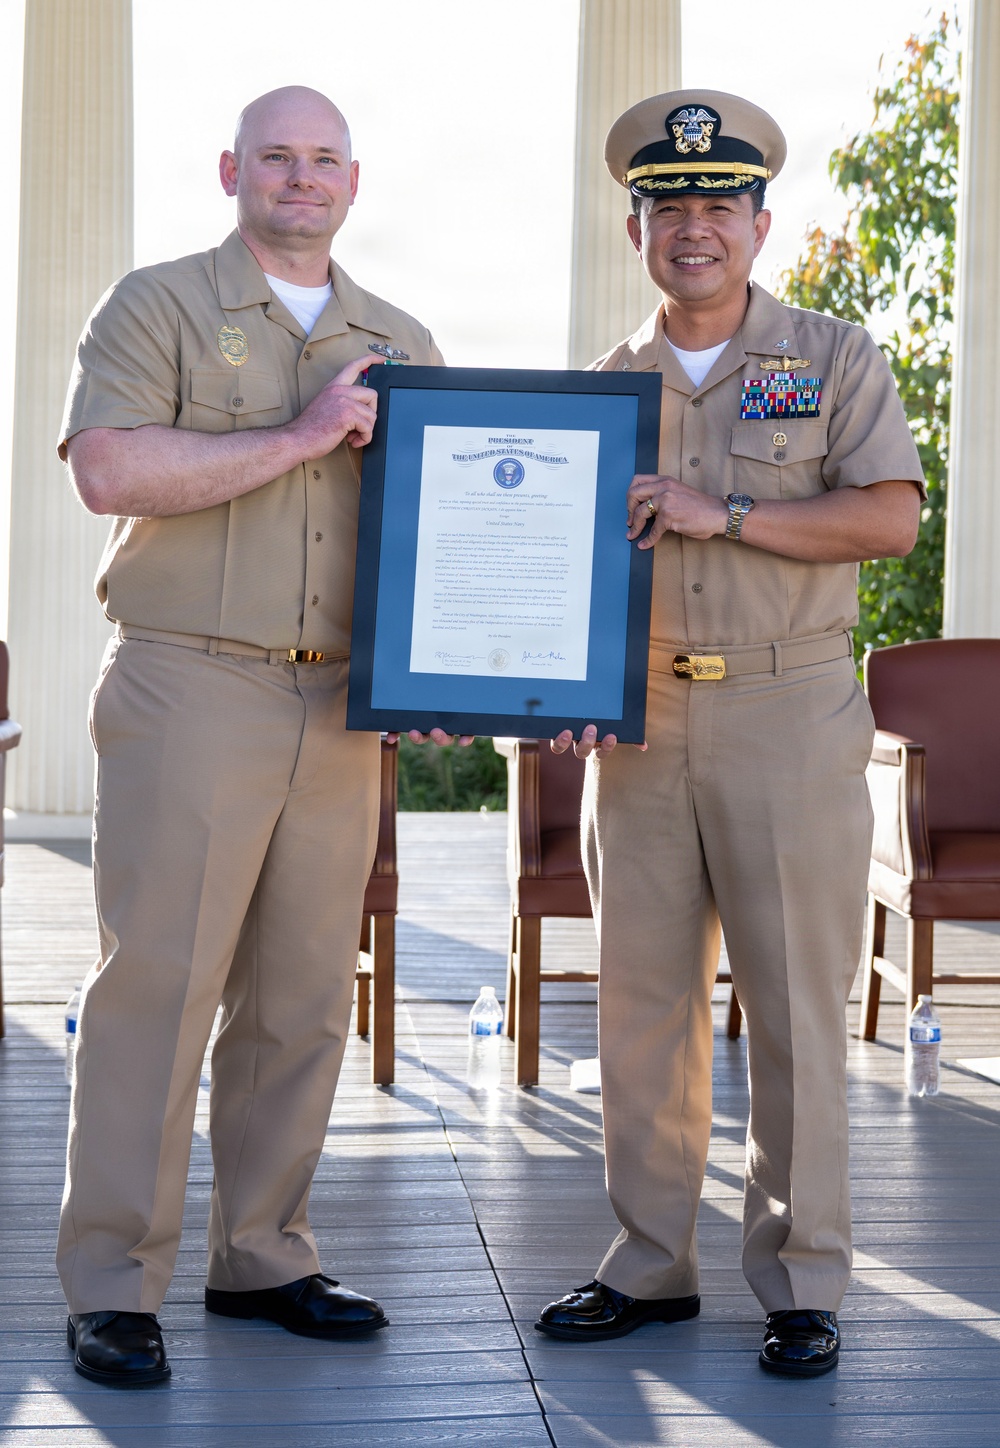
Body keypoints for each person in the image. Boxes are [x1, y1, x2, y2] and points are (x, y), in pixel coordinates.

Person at [57, 86, 448, 1388]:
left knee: (302, 997)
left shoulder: (400, 339)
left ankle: (265, 1253)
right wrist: (300, 436)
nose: (301, 177)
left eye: (324, 158)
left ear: (355, 181)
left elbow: (442, 524)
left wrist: (448, 666)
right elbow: (109, 471)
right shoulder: (156, 306)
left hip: (338, 704)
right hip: (190, 682)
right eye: (276, 156)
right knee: (157, 991)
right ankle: (114, 1284)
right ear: (232, 170)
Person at [535, 90, 924, 1377]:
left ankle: (802, 1276)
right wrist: (553, 680)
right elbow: (557, 566)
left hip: (787, 708)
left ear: (760, 223)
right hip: (639, 724)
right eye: (668, 207)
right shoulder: (600, 389)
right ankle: (649, 1262)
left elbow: (888, 519)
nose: (692, 228)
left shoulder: (833, 358)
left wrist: (732, 515)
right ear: (634, 229)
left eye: (717, 204)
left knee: (797, 1005)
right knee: (642, 1006)